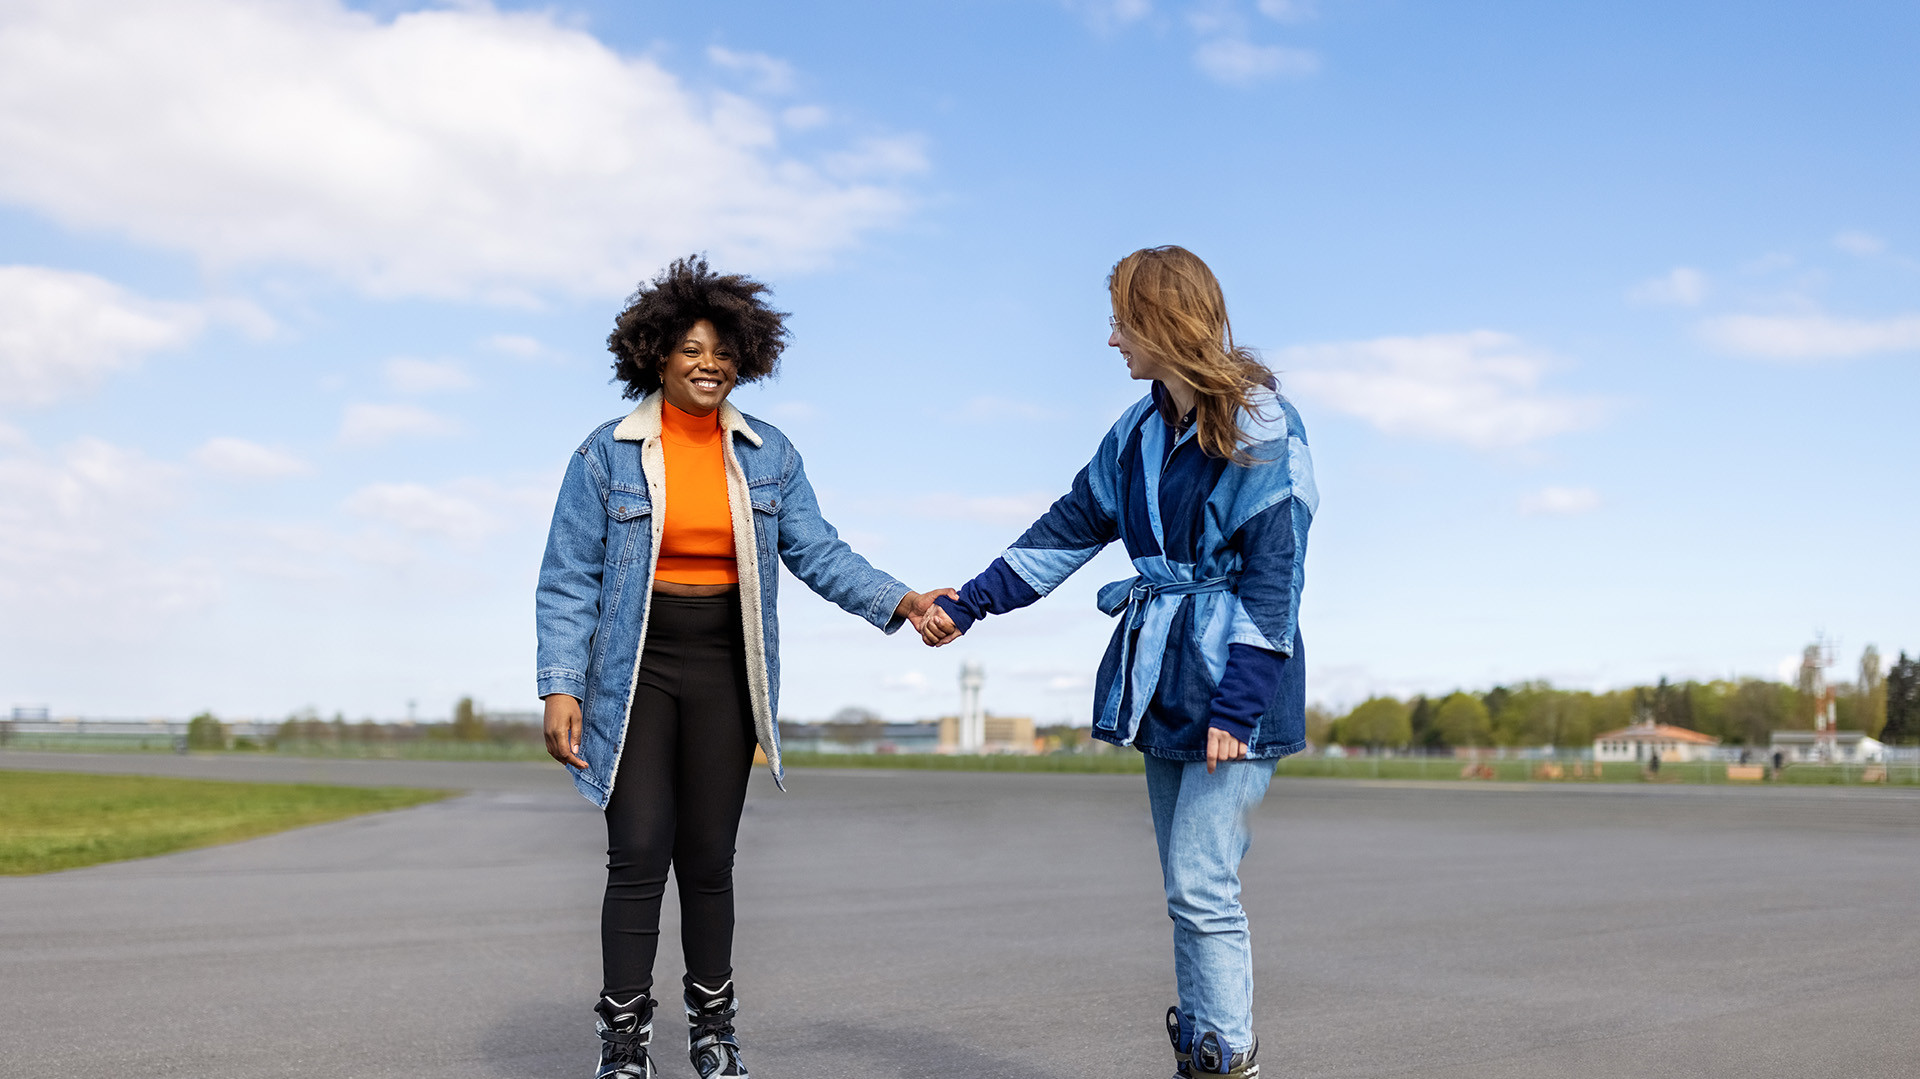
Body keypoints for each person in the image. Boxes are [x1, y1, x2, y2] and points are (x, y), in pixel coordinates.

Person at [537, 255, 950, 1079]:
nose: (708, 363)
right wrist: (561, 684)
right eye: (691, 347)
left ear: (745, 360)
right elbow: (568, 576)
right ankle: (623, 1042)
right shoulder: (605, 455)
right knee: (638, 849)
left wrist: (899, 600)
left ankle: (713, 1032)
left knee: (709, 857)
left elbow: (817, 551)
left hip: (728, 666)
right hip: (636, 669)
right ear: (656, 353)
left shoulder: (770, 455)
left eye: (724, 351)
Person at [921, 245, 1316, 1079]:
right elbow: (1069, 526)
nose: (1111, 341)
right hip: (1166, 679)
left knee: (1203, 883)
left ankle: (1227, 1060)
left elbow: (1278, 572)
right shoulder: (1138, 431)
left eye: (1121, 321)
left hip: (1237, 682)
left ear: (1162, 321)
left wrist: (1239, 703)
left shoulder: (1260, 422)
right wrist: (970, 602)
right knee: (1185, 884)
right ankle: (1204, 1051)